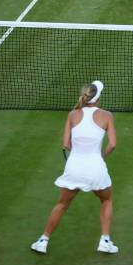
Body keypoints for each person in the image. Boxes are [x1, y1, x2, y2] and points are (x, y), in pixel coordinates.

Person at [31, 80, 118, 255]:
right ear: (98, 98)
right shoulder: (107, 115)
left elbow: (66, 144)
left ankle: (43, 241)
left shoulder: (72, 115)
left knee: (62, 204)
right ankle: (105, 241)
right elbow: (112, 145)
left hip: (74, 167)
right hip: (96, 168)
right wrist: (100, 157)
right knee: (106, 200)